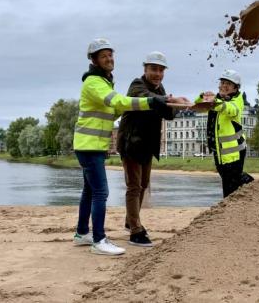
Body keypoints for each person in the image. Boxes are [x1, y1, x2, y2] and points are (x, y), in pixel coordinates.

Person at [72, 38, 185, 255]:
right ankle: (100, 239)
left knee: (91, 191)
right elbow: (122, 102)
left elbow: (118, 109)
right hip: (117, 145)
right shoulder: (101, 83)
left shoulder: (106, 82)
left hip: (103, 145)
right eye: (104, 56)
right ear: (94, 60)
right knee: (102, 192)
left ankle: (81, 233)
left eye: (111, 55)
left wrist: (180, 102)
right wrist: (157, 101)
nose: (109, 59)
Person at [117, 51, 181, 247]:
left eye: (161, 70)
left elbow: (168, 115)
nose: (157, 74)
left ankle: (130, 221)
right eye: (154, 69)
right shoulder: (137, 85)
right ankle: (136, 231)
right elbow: (148, 99)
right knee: (134, 187)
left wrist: (178, 104)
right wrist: (168, 99)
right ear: (145, 69)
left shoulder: (161, 90)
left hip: (147, 145)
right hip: (131, 143)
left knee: (144, 185)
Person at [195, 69, 254, 198]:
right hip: (220, 152)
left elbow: (231, 110)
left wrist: (216, 103)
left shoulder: (237, 100)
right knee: (233, 181)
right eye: (222, 82)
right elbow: (198, 106)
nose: (223, 86)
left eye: (228, 83)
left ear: (235, 87)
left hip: (234, 152)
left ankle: (252, 191)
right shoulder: (217, 99)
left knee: (229, 190)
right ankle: (255, 188)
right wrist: (203, 97)